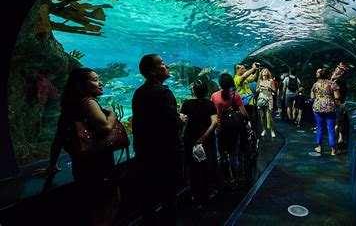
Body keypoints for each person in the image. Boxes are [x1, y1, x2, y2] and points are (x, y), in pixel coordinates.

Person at [33, 68, 119, 226]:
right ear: (82, 84)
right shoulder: (89, 102)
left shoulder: (69, 106)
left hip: (81, 166)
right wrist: (112, 114)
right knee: (105, 208)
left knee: (89, 209)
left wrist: (51, 166)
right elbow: (105, 127)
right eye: (94, 79)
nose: (100, 83)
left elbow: (58, 139)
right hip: (99, 166)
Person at [132, 54, 187, 226]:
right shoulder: (164, 93)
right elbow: (170, 125)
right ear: (153, 71)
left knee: (148, 199)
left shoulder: (138, 93)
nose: (167, 66)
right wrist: (181, 119)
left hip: (145, 155)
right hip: (166, 155)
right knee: (169, 199)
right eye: (162, 63)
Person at [180, 80, 218, 204]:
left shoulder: (186, 104)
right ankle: (210, 191)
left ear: (194, 91)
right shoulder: (210, 104)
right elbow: (214, 123)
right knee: (208, 165)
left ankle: (193, 193)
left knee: (192, 167)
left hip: (190, 140)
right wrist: (204, 137)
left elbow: (183, 120)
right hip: (207, 141)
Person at [211, 73, 248, 188]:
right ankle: (235, 180)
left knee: (221, 156)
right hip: (233, 130)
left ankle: (223, 178)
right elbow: (244, 114)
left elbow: (211, 112)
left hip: (219, 129)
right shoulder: (235, 96)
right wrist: (246, 117)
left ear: (220, 83)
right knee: (233, 156)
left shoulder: (214, 96)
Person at [311, 68, 341, 156]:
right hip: (330, 107)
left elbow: (312, 96)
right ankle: (333, 149)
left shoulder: (315, 84)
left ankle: (319, 147)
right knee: (331, 128)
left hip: (318, 107)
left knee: (320, 127)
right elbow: (337, 96)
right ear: (328, 75)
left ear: (320, 75)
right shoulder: (332, 83)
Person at [233, 62, 258, 131]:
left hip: (250, 102)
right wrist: (253, 68)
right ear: (237, 69)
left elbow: (253, 78)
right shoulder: (236, 79)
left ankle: (253, 136)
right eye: (243, 68)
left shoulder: (245, 79)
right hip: (244, 103)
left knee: (253, 120)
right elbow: (244, 76)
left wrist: (257, 70)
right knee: (248, 120)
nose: (244, 69)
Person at [331, 63, 348, 147]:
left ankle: (335, 142)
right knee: (339, 122)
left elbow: (336, 94)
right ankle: (340, 138)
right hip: (340, 103)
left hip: (338, 104)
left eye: (339, 69)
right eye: (337, 67)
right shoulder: (336, 79)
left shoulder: (339, 81)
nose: (337, 69)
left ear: (342, 72)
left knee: (336, 124)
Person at [256, 68, 276, 138]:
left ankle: (272, 130)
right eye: (263, 71)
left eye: (266, 71)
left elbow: (274, 90)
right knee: (262, 115)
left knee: (270, 115)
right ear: (261, 73)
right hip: (261, 98)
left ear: (268, 73)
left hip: (269, 98)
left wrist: (270, 88)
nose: (265, 72)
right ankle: (264, 129)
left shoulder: (271, 81)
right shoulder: (259, 81)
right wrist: (259, 88)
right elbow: (256, 90)